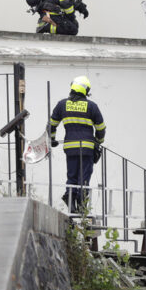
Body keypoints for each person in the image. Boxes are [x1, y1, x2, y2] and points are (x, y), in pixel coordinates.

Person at [49, 76, 106, 213]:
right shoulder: (92, 106)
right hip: (86, 149)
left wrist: (53, 139)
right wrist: (98, 142)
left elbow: (51, 125)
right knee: (84, 177)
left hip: (70, 148)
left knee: (72, 176)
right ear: (85, 90)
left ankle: (70, 198)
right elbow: (101, 128)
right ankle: (81, 205)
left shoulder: (62, 104)